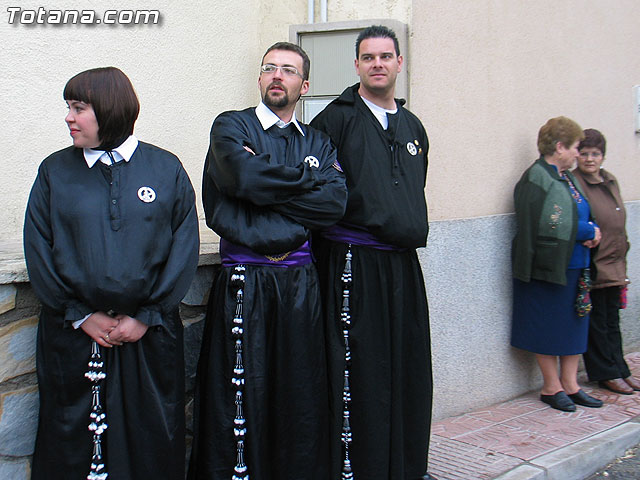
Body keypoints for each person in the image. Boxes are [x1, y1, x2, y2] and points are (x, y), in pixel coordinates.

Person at [23, 67, 200, 480]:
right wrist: (82, 314)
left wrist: (146, 315)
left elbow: (183, 245)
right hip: (74, 337)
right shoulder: (54, 172)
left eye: (79, 108)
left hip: (149, 337)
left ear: (110, 109)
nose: (69, 117)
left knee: (150, 440)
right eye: (68, 107)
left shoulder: (165, 168)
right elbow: (39, 247)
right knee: (73, 445)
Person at [188, 42, 347, 480]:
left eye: (289, 70)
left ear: (305, 85)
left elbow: (334, 205)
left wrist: (265, 191)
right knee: (241, 392)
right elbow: (240, 177)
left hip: (300, 284)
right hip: (245, 280)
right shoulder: (230, 127)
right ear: (260, 79)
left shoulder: (317, 141)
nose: (278, 75)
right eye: (269, 68)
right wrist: (307, 182)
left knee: (298, 391)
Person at [310, 25, 435, 480]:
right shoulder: (335, 119)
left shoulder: (412, 126)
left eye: (386, 56)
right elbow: (318, 195)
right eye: (368, 57)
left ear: (399, 63)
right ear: (357, 65)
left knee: (407, 369)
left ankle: (403, 467)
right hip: (351, 264)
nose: (377, 64)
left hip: (402, 265)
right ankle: (359, 470)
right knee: (361, 373)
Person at [511, 116, 603, 412]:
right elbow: (547, 224)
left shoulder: (565, 176)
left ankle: (571, 384)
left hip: (576, 263)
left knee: (574, 323)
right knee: (549, 326)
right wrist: (589, 232)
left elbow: (578, 213)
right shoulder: (536, 177)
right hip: (548, 267)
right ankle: (551, 388)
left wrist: (593, 229)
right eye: (576, 147)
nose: (579, 154)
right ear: (560, 147)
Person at [572, 128, 640, 394]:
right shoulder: (576, 183)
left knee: (612, 319)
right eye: (585, 153)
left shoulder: (609, 180)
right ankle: (605, 373)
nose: (590, 159)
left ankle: (620, 368)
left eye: (595, 154)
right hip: (595, 263)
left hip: (615, 260)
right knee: (598, 321)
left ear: (603, 156)